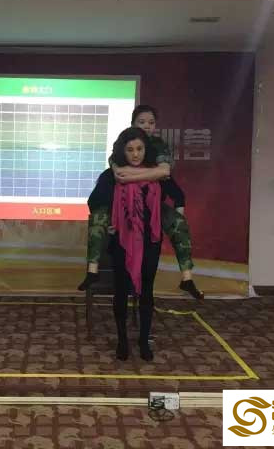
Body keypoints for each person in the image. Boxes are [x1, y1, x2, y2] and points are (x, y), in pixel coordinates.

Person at [78, 105, 203, 301]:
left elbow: (170, 181)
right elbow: (99, 194)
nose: (147, 126)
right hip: (121, 218)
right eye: (141, 122)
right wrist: (111, 220)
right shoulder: (115, 166)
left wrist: (135, 176)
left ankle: (187, 278)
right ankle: (92, 271)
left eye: (151, 123)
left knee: (178, 223)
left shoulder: (159, 151)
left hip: (150, 220)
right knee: (98, 219)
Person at [88, 127, 164, 361]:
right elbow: (94, 202)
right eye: (130, 149)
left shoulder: (156, 174)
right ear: (123, 151)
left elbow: (176, 197)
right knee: (120, 291)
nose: (135, 154)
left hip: (150, 241)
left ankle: (143, 341)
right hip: (122, 241)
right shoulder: (111, 176)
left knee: (147, 292)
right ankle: (122, 340)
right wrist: (109, 220)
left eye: (139, 149)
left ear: (146, 149)